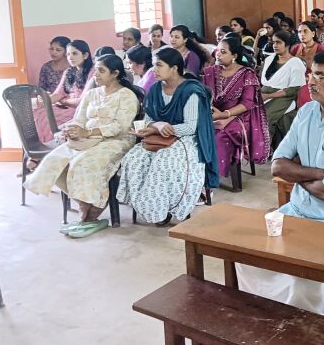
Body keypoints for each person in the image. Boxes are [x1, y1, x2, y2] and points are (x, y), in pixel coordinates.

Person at [238, 50, 324, 325]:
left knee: (306, 277)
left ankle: (316, 331)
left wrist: (302, 176)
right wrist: (323, 175)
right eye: (311, 74)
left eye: (320, 76)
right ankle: (277, 320)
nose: (311, 81)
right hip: (299, 210)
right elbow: (277, 166)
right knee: (247, 257)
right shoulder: (307, 112)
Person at [25, 55, 141, 238]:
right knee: (54, 161)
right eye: (96, 70)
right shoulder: (92, 94)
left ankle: (92, 214)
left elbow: (120, 126)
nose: (96, 74)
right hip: (85, 139)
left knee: (82, 163)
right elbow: (79, 119)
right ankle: (85, 211)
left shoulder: (126, 96)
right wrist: (70, 130)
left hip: (116, 141)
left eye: (101, 71)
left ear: (115, 74)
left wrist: (89, 132)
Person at [116, 47, 218, 225]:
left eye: (159, 65)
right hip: (160, 137)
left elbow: (190, 127)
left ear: (175, 68)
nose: (153, 70)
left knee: (165, 161)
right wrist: (153, 126)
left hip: (188, 138)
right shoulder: (155, 89)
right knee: (134, 158)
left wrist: (160, 128)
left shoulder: (191, 91)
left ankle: (174, 207)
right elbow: (149, 119)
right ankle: (154, 209)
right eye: (154, 65)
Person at [203, 35, 269, 186]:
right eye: (218, 50)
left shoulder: (247, 74)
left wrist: (225, 116)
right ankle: (198, 173)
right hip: (214, 114)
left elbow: (247, 103)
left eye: (223, 52)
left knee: (220, 135)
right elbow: (204, 96)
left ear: (234, 56)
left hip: (241, 117)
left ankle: (213, 177)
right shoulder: (210, 72)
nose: (218, 54)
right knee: (199, 132)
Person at [33, 39, 94, 143]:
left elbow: (82, 101)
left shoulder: (92, 71)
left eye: (75, 53)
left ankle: (51, 147)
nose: (70, 57)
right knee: (37, 111)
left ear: (85, 55)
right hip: (66, 107)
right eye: (68, 54)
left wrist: (63, 101)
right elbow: (58, 93)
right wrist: (44, 101)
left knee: (46, 117)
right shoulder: (69, 71)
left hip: (80, 110)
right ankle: (40, 149)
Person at [261, 30, 306, 150]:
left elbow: (294, 89)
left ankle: (264, 149)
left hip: (284, 97)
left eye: (279, 42)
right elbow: (263, 82)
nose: (275, 45)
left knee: (265, 116)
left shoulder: (295, 63)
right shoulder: (269, 59)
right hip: (264, 94)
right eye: (273, 42)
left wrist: (269, 96)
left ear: (287, 44)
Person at [291, 21, 324, 108]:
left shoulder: (320, 49)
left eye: (305, 31)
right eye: (299, 32)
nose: (302, 34)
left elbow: (323, 71)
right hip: (295, 80)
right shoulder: (295, 48)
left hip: (314, 81)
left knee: (304, 92)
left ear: (313, 33)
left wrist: (308, 78)